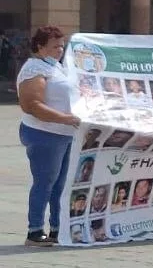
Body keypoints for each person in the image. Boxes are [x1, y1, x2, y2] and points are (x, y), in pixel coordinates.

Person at [17, 25, 80, 247]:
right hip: (44, 134)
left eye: (62, 45)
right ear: (40, 47)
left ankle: (56, 229)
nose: (60, 50)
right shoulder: (34, 68)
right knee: (44, 183)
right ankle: (34, 231)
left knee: (59, 186)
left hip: (63, 135)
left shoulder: (58, 67)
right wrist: (65, 118)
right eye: (55, 46)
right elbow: (31, 105)